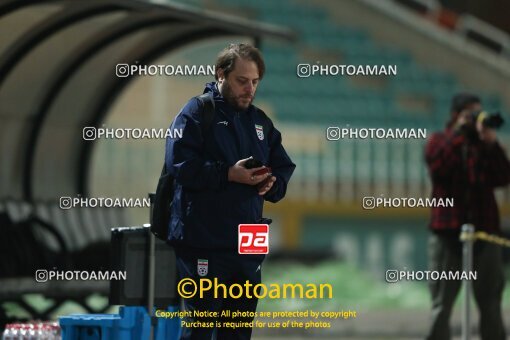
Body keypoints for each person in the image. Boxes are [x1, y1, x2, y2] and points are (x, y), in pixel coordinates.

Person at [164, 43, 296, 340]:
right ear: (220, 74)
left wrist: (272, 183)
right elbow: (179, 164)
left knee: (237, 331)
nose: (249, 89)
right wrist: (228, 173)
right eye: (242, 81)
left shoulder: (260, 121)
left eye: (255, 82)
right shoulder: (197, 112)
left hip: (250, 241)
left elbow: (283, 167)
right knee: (199, 328)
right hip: (204, 239)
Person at [424, 92, 510, 340]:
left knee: (491, 302)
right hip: (448, 232)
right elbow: (438, 167)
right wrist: (459, 135)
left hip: (485, 231)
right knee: (442, 303)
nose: (476, 119)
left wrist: (490, 144)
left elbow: (503, 177)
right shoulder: (441, 140)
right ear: (457, 116)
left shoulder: (485, 146)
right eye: (471, 114)